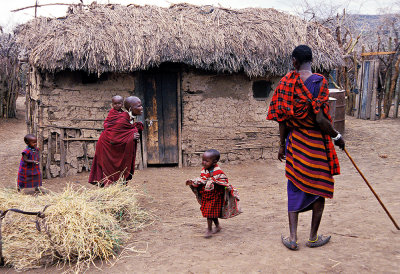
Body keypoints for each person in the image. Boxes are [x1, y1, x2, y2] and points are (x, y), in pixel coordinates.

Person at [267, 45, 345, 250]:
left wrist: (281, 146)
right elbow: (320, 119)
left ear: (294, 61)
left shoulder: (285, 83)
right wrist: (336, 136)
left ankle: (292, 239)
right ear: (312, 60)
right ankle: (312, 237)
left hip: (295, 143)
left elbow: (281, 118)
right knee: (319, 188)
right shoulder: (319, 82)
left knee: (293, 186)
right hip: (317, 145)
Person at [89, 96, 144, 187]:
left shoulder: (126, 116)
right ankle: (108, 194)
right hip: (106, 146)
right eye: (139, 106)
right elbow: (114, 136)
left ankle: (117, 189)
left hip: (114, 147)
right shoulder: (121, 118)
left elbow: (126, 130)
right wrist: (131, 136)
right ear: (130, 108)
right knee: (109, 171)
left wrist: (134, 130)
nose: (141, 108)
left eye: (141, 105)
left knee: (118, 170)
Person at [186, 149, 241, 238]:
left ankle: (209, 229)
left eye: (206, 161)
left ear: (214, 162)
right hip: (206, 195)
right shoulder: (204, 170)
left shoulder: (218, 172)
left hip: (215, 196)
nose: (203, 162)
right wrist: (193, 182)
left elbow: (224, 181)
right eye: (203, 160)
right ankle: (218, 226)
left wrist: (214, 182)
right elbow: (202, 179)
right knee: (211, 212)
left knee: (209, 212)